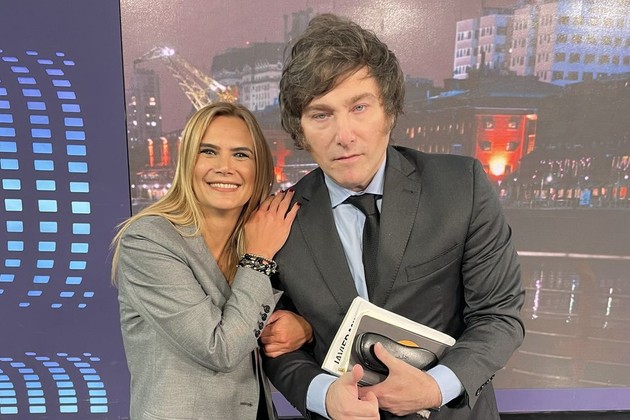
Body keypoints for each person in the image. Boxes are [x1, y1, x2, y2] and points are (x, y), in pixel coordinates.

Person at [263, 13, 525, 420]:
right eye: (321, 114)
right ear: (300, 130)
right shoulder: (278, 218)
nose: (344, 135)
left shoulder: (462, 186)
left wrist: (436, 387)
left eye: (359, 107)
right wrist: (323, 395)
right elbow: (276, 343)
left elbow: (499, 315)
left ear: (389, 110)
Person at [110, 102, 311, 420]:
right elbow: (220, 349)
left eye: (241, 154)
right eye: (208, 152)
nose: (225, 167)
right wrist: (258, 257)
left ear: (259, 167)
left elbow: (281, 319)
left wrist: (305, 328)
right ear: (188, 162)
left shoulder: (262, 237)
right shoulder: (148, 241)